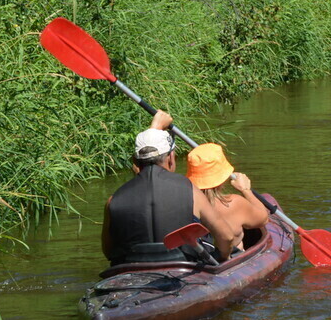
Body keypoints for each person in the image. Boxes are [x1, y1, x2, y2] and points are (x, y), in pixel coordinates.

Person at [102, 110, 238, 265]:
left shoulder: (113, 200)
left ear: (135, 161)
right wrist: (222, 258)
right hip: (182, 269)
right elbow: (226, 236)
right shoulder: (189, 190)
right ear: (171, 158)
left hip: (130, 272)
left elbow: (108, 251)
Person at [186, 142, 271, 248]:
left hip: (198, 259)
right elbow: (263, 219)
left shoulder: (182, 203)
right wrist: (245, 190)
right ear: (222, 177)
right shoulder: (234, 203)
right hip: (231, 259)